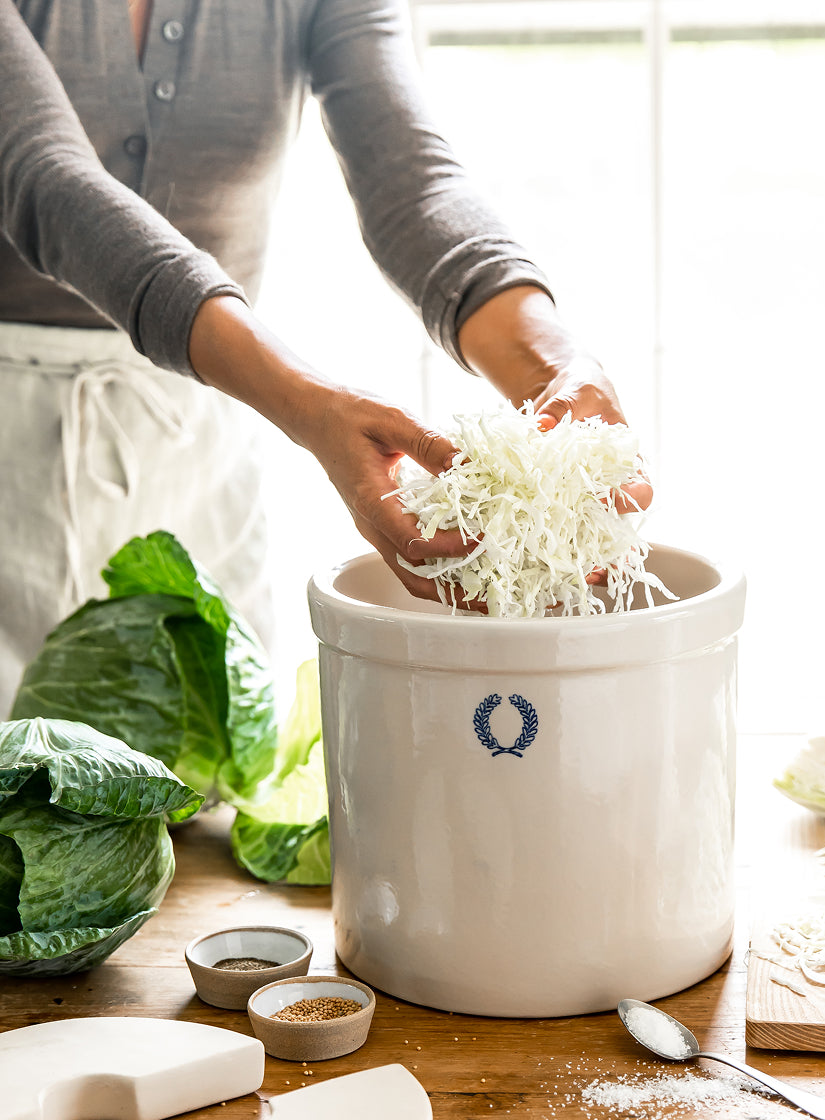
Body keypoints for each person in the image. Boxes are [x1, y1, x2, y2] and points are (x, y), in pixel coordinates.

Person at [0, 0, 650, 710]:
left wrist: (553, 364)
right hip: (12, 455)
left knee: (200, 794)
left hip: (200, 445)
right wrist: (311, 404)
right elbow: (41, 173)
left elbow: (411, 182)